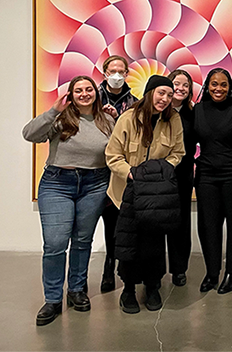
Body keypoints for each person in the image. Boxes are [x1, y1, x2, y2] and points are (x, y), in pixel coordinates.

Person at [23, 75, 114, 326]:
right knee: (55, 243)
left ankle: (76, 290)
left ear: (96, 92)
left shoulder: (107, 120)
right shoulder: (60, 117)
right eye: (78, 90)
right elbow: (29, 134)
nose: (84, 94)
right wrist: (53, 110)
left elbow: (118, 149)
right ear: (71, 95)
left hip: (94, 184)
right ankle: (52, 299)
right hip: (57, 183)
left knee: (83, 240)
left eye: (88, 89)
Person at [105, 75, 185, 314]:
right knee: (129, 242)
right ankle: (128, 289)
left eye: (170, 95)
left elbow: (177, 153)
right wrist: (132, 174)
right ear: (150, 92)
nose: (165, 99)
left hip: (156, 193)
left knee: (154, 243)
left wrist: (158, 172)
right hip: (126, 191)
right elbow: (112, 155)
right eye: (161, 93)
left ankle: (153, 286)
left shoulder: (173, 120)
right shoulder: (127, 118)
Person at [193, 68, 232, 294]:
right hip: (206, 175)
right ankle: (211, 272)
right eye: (214, 84)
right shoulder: (197, 110)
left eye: (223, 85)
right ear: (208, 86)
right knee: (208, 226)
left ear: (230, 88)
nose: (218, 89)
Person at [97, 55, 138, 293]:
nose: (116, 75)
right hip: (96, 170)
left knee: (119, 223)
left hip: (122, 172)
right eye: (112, 70)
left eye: (120, 71)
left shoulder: (134, 102)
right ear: (104, 72)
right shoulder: (92, 97)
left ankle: (117, 267)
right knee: (103, 223)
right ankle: (106, 267)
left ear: (127, 74)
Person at [166, 70, 195, 287]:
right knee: (156, 221)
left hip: (183, 175)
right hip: (158, 176)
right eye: (177, 83)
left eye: (186, 85)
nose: (181, 88)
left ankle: (179, 269)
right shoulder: (156, 111)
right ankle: (154, 270)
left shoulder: (193, 114)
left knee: (181, 223)